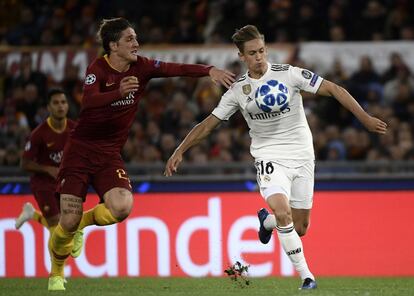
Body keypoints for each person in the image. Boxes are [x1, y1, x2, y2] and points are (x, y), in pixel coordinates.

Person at [164, 25, 387, 289]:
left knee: (300, 226)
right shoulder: (238, 90)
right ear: (241, 56)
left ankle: (266, 222)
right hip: (269, 157)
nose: (259, 57)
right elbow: (208, 124)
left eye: (261, 51)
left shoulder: (289, 74)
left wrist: (365, 118)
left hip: (302, 155)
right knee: (283, 213)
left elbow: (335, 89)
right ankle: (307, 277)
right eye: (252, 53)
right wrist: (180, 150)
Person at [47, 17, 235, 291]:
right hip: (80, 151)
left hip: (109, 153)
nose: (136, 43)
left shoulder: (142, 67)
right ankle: (56, 273)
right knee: (67, 220)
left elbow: (175, 68)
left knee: (122, 207)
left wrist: (208, 70)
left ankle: (82, 225)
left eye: (135, 38)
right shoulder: (98, 68)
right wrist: (117, 92)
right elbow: (87, 104)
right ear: (113, 45)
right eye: (129, 39)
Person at [16, 89, 83, 260]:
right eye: (56, 103)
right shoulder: (39, 134)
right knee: (56, 225)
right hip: (43, 184)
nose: (60, 106)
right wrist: (47, 169)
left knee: (65, 222)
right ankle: (57, 274)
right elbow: (24, 164)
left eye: (63, 102)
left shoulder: (74, 129)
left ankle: (32, 214)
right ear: (48, 107)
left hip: (64, 183)